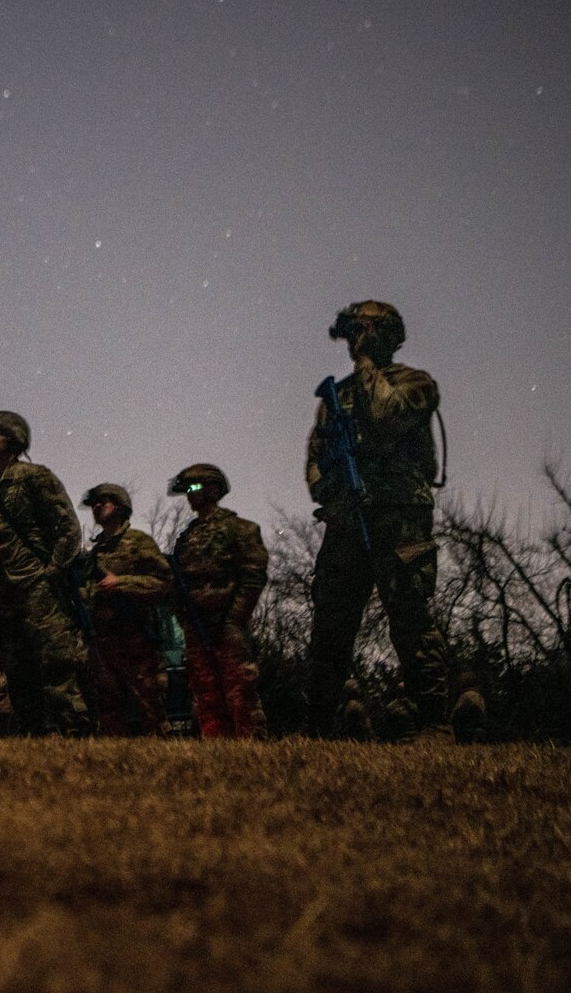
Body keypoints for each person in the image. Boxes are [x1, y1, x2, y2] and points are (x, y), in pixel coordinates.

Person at [304, 300, 485, 742]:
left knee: (410, 619)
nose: (355, 341)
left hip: (400, 519)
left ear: (385, 335)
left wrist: (367, 366)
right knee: (330, 625)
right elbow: (316, 461)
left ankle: (433, 722)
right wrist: (331, 491)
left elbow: (386, 418)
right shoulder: (336, 395)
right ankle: (316, 726)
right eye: (353, 334)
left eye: (364, 332)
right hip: (348, 522)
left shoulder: (416, 384)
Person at [0, 411, 91, 736]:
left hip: (41, 592)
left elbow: (68, 529)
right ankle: (35, 745)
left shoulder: (35, 477)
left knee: (56, 671)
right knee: (18, 674)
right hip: (7, 596)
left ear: (11, 437)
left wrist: (51, 571)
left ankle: (76, 741)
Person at [167, 465, 269, 739]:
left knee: (240, 688)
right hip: (196, 625)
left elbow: (253, 576)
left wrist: (235, 618)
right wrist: (186, 618)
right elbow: (177, 585)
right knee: (205, 690)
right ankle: (218, 749)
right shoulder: (187, 537)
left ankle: (251, 750)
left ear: (213, 489)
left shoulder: (238, 529)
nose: (190, 495)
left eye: (195, 488)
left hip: (227, 622)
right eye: (187, 490)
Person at [79, 483, 173, 737]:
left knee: (151, 709)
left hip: (137, 641)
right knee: (109, 713)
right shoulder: (96, 552)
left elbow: (163, 583)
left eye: (104, 501)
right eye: (94, 503)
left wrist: (122, 583)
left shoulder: (139, 542)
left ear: (120, 507)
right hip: (104, 643)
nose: (97, 507)